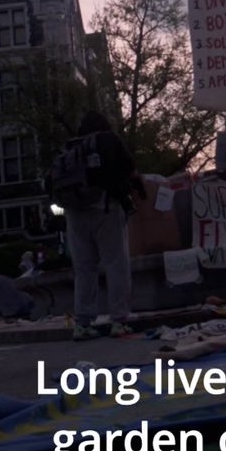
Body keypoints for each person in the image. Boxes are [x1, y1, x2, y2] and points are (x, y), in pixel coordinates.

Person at [60, 111, 142, 341]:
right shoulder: (109, 139)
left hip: (74, 212)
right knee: (116, 263)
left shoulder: (70, 146)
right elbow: (130, 170)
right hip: (106, 207)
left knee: (84, 268)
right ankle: (119, 320)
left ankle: (83, 324)